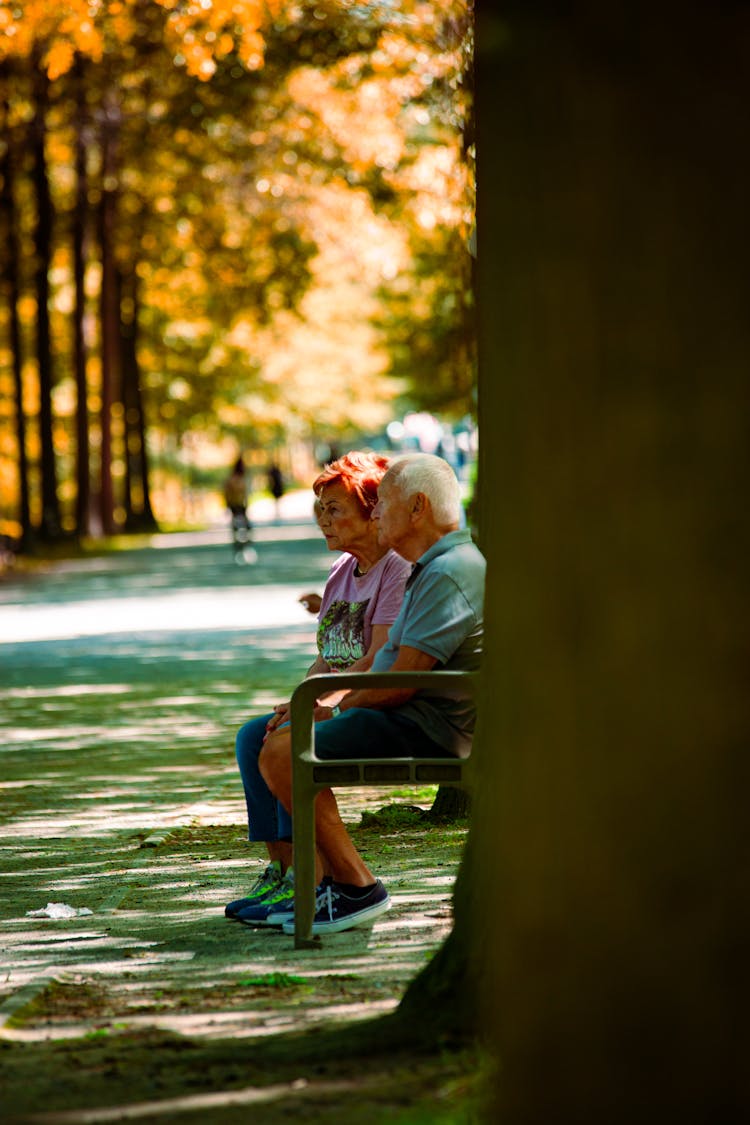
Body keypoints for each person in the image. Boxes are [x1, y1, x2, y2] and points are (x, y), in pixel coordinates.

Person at [258, 452, 485, 935]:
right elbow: (386, 669)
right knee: (275, 738)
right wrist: (323, 702)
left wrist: (329, 706)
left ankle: (357, 887)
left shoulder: (446, 571)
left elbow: (398, 683)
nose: (375, 512)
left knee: (282, 752)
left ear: (418, 508)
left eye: (383, 503)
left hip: (430, 727)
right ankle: (326, 884)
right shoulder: (432, 565)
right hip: (413, 715)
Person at [225, 452, 412, 924]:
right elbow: (327, 655)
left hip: (374, 704)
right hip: (338, 700)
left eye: (334, 509)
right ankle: (287, 872)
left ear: (374, 513)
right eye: (320, 509)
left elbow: (378, 658)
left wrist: (321, 704)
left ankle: (324, 879)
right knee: (256, 734)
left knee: (286, 744)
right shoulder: (342, 572)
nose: (322, 521)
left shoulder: (396, 570)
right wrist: (299, 699)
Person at [224, 456, 255, 562]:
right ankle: (243, 547)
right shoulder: (240, 480)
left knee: (238, 528)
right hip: (240, 506)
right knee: (245, 528)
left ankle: (239, 548)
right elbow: (244, 494)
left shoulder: (230, 479)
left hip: (235, 506)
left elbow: (227, 493)